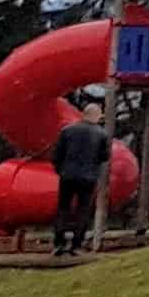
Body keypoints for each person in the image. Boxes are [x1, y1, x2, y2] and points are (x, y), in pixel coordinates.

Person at [47, 98, 111, 259]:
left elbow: (57, 155)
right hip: (88, 177)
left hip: (67, 175)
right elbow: (105, 156)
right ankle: (76, 245)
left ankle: (58, 244)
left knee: (63, 208)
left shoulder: (67, 131)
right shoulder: (102, 134)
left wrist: (60, 170)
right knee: (82, 210)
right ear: (97, 116)